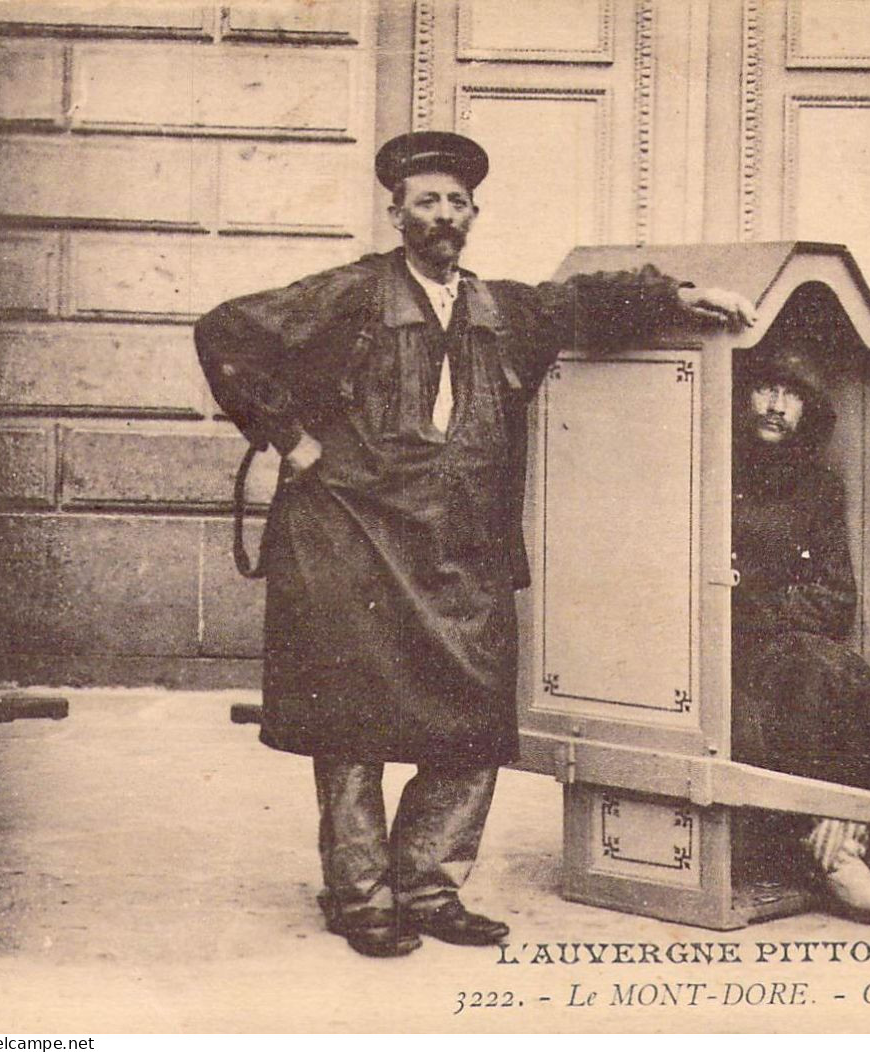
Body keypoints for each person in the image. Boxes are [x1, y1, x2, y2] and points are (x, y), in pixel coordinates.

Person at [195, 131, 755, 958]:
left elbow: (584, 301)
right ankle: (360, 897)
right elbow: (226, 332)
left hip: (461, 550)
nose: (443, 215)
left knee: (471, 723)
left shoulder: (501, 308)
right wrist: (290, 438)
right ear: (397, 212)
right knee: (353, 729)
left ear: (472, 214)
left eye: (456, 202)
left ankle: (429, 887)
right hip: (353, 544)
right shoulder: (350, 295)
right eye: (427, 201)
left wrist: (682, 294)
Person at [729, 348, 870, 926]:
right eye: (765, 390)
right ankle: (841, 858)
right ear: (742, 396)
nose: (777, 407)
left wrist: (758, 602)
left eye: (793, 396)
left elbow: (836, 599)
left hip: (778, 643)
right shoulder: (707, 471)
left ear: (809, 410)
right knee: (807, 676)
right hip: (710, 650)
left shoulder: (818, 487)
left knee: (843, 679)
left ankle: (839, 842)